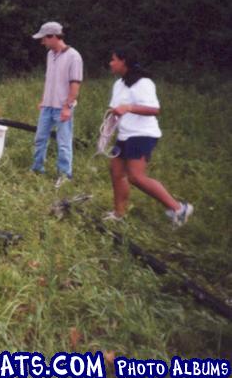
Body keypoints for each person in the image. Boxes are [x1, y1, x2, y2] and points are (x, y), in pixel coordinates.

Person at [104, 47, 193, 227]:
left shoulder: (144, 83)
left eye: (114, 59)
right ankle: (119, 214)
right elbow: (115, 112)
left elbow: (154, 109)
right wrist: (106, 133)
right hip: (125, 135)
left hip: (142, 135)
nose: (110, 63)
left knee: (136, 177)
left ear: (124, 62)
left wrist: (129, 107)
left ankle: (179, 209)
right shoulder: (119, 84)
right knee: (116, 172)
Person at [30, 21, 83, 187]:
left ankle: (65, 175)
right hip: (48, 105)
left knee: (63, 142)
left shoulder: (73, 56)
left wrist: (68, 106)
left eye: (44, 38)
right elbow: (51, 80)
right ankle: (37, 169)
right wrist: (44, 99)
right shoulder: (50, 55)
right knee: (40, 138)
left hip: (62, 106)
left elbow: (75, 83)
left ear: (53, 36)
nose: (42, 42)